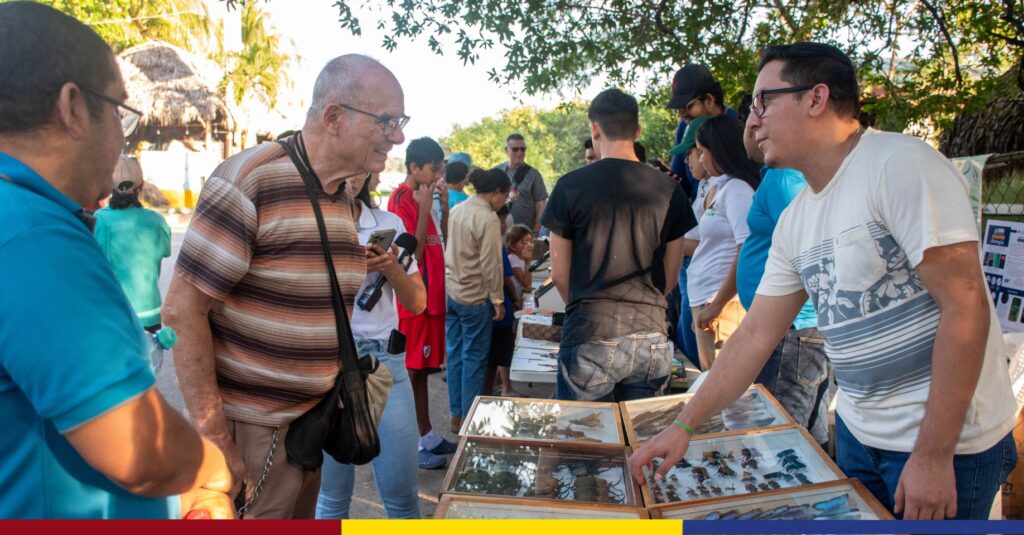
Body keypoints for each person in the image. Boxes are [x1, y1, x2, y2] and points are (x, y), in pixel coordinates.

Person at [630, 42, 1017, 521]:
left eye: (762, 102)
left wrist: (934, 454)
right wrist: (684, 426)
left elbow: (967, 307)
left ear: (815, 99)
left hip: (944, 446)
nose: (751, 121)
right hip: (859, 434)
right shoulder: (798, 217)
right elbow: (754, 334)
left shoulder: (900, 165)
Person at [0, 2, 232, 519]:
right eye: (117, 109)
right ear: (74, 107)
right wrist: (210, 468)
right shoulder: (35, 236)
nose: (121, 135)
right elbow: (138, 449)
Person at [164, 54, 407, 518]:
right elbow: (182, 311)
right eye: (388, 121)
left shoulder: (338, 196)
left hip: (308, 429)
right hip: (253, 433)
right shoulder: (252, 178)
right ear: (334, 117)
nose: (397, 135)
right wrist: (216, 438)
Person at [541, 88, 697, 402]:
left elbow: (559, 273)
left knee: (587, 445)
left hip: (590, 330)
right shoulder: (670, 190)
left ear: (594, 128)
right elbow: (669, 274)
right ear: (637, 130)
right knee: (638, 447)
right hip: (650, 332)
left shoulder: (570, 186)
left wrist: (588, 307)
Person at [316, 172, 426, 519]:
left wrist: (391, 267)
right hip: (327, 365)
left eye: (358, 166)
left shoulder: (388, 223)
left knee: (403, 498)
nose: (349, 175)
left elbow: (418, 302)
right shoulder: (309, 222)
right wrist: (352, 268)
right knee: (331, 499)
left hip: (382, 363)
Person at [738, 120, 830, 447]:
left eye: (760, 114)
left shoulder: (783, 178)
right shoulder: (775, 178)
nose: (752, 127)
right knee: (807, 440)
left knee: (780, 444)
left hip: (793, 334)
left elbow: (812, 248)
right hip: (793, 332)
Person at [387, 137, 457, 468]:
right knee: (410, 373)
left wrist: (438, 210)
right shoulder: (401, 199)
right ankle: (414, 445)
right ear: (414, 167)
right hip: (415, 303)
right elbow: (410, 254)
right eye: (434, 169)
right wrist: (425, 207)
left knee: (423, 372)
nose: (438, 176)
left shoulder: (427, 196)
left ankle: (427, 434)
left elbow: (437, 242)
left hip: (433, 301)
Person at [665, 64, 738, 368]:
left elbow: (744, 243)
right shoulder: (686, 128)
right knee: (687, 336)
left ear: (710, 100)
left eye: (687, 106)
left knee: (718, 365)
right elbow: (680, 178)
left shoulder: (738, 129)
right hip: (695, 254)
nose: (682, 114)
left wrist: (721, 301)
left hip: (719, 279)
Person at [686, 116, 759, 370]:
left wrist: (717, 303)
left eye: (703, 151)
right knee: (710, 376)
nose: (702, 159)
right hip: (707, 302)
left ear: (719, 150)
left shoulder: (738, 190)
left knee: (724, 388)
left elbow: (746, 247)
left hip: (723, 306)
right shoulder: (724, 187)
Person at [445, 168, 509, 419]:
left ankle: (456, 413)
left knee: (455, 356)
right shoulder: (488, 218)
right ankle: (468, 420)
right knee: (473, 360)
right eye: (504, 197)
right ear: (496, 192)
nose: (503, 202)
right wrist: (498, 299)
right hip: (475, 297)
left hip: (452, 291)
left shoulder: (458, 209)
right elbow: (491, 264)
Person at [94, 155, 172, 333]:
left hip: (112, 314)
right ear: (141, 186)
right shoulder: (157, 221)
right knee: (148, 361)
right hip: (149, 315)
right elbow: (165, 251)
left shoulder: (99, 220)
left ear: (109, 186)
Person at [483, 211, 521, 398]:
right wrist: (515, 299)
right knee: (495, 356)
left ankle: (491, 391)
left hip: (489, 305)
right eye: (502, 221)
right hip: (499, 308)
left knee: (492, 357)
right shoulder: (496, 244)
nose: (505, 225)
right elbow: (506, 278)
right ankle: (488, 395)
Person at [497, 134, 547, 233]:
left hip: (525, 233)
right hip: (500, 230)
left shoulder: (533, 174)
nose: (520, 153)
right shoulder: (497, 172)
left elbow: (541, 205)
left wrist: (536, 231)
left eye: (523, 149)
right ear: (506, 150)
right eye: (515, 149)